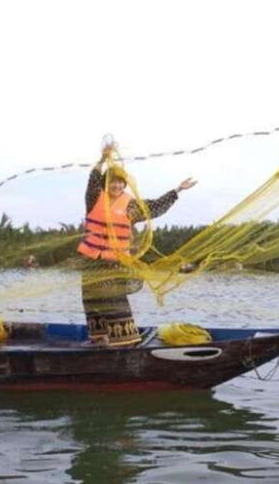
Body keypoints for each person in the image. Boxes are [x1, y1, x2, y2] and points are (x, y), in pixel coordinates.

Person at [77, 145, 197, 346]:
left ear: (124, 184)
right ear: (105, 184)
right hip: (91, 262)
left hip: (114, 264)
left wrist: (177, 190)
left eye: (120, 182)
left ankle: (125, 341)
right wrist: (103, 159)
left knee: (114, 301)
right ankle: (99, 338)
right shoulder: (94, 198)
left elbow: (155, 207)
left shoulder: (131, 206)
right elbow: (93, 178)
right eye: (112, 182)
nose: (116, 186)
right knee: (92, 302)